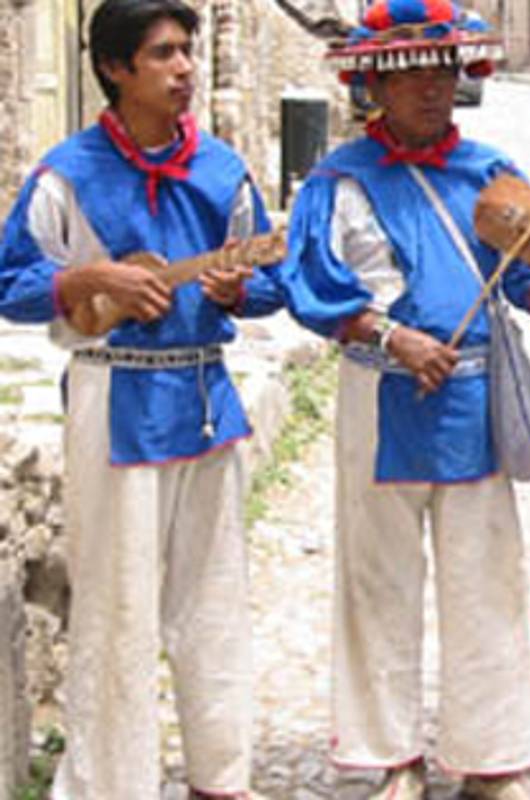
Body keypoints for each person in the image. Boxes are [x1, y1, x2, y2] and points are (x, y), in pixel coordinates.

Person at [280, 2, 530, 798]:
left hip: (471, 397)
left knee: (485, 581)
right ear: (375, 88)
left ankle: (491, 757)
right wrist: (392, 337)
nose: (432, 88)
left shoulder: (490, 176)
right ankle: (393, 753)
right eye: (411, 76)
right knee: (378, 582)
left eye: (443, 72)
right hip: (382, 395)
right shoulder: (339, 181)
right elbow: (312, 288)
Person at [0, 1, 283, 797]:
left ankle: (221, 777)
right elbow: (9, 283)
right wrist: (88, 278)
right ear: (117, 68)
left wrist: (236, 291)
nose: (186, 67)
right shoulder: (67, 173)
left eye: (188, 50)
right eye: (163, 54)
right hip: (113, 395)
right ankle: (110, 784)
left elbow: (271, 285)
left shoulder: (223, 171)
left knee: (216, 599)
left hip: (204, 397)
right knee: (117, 608)